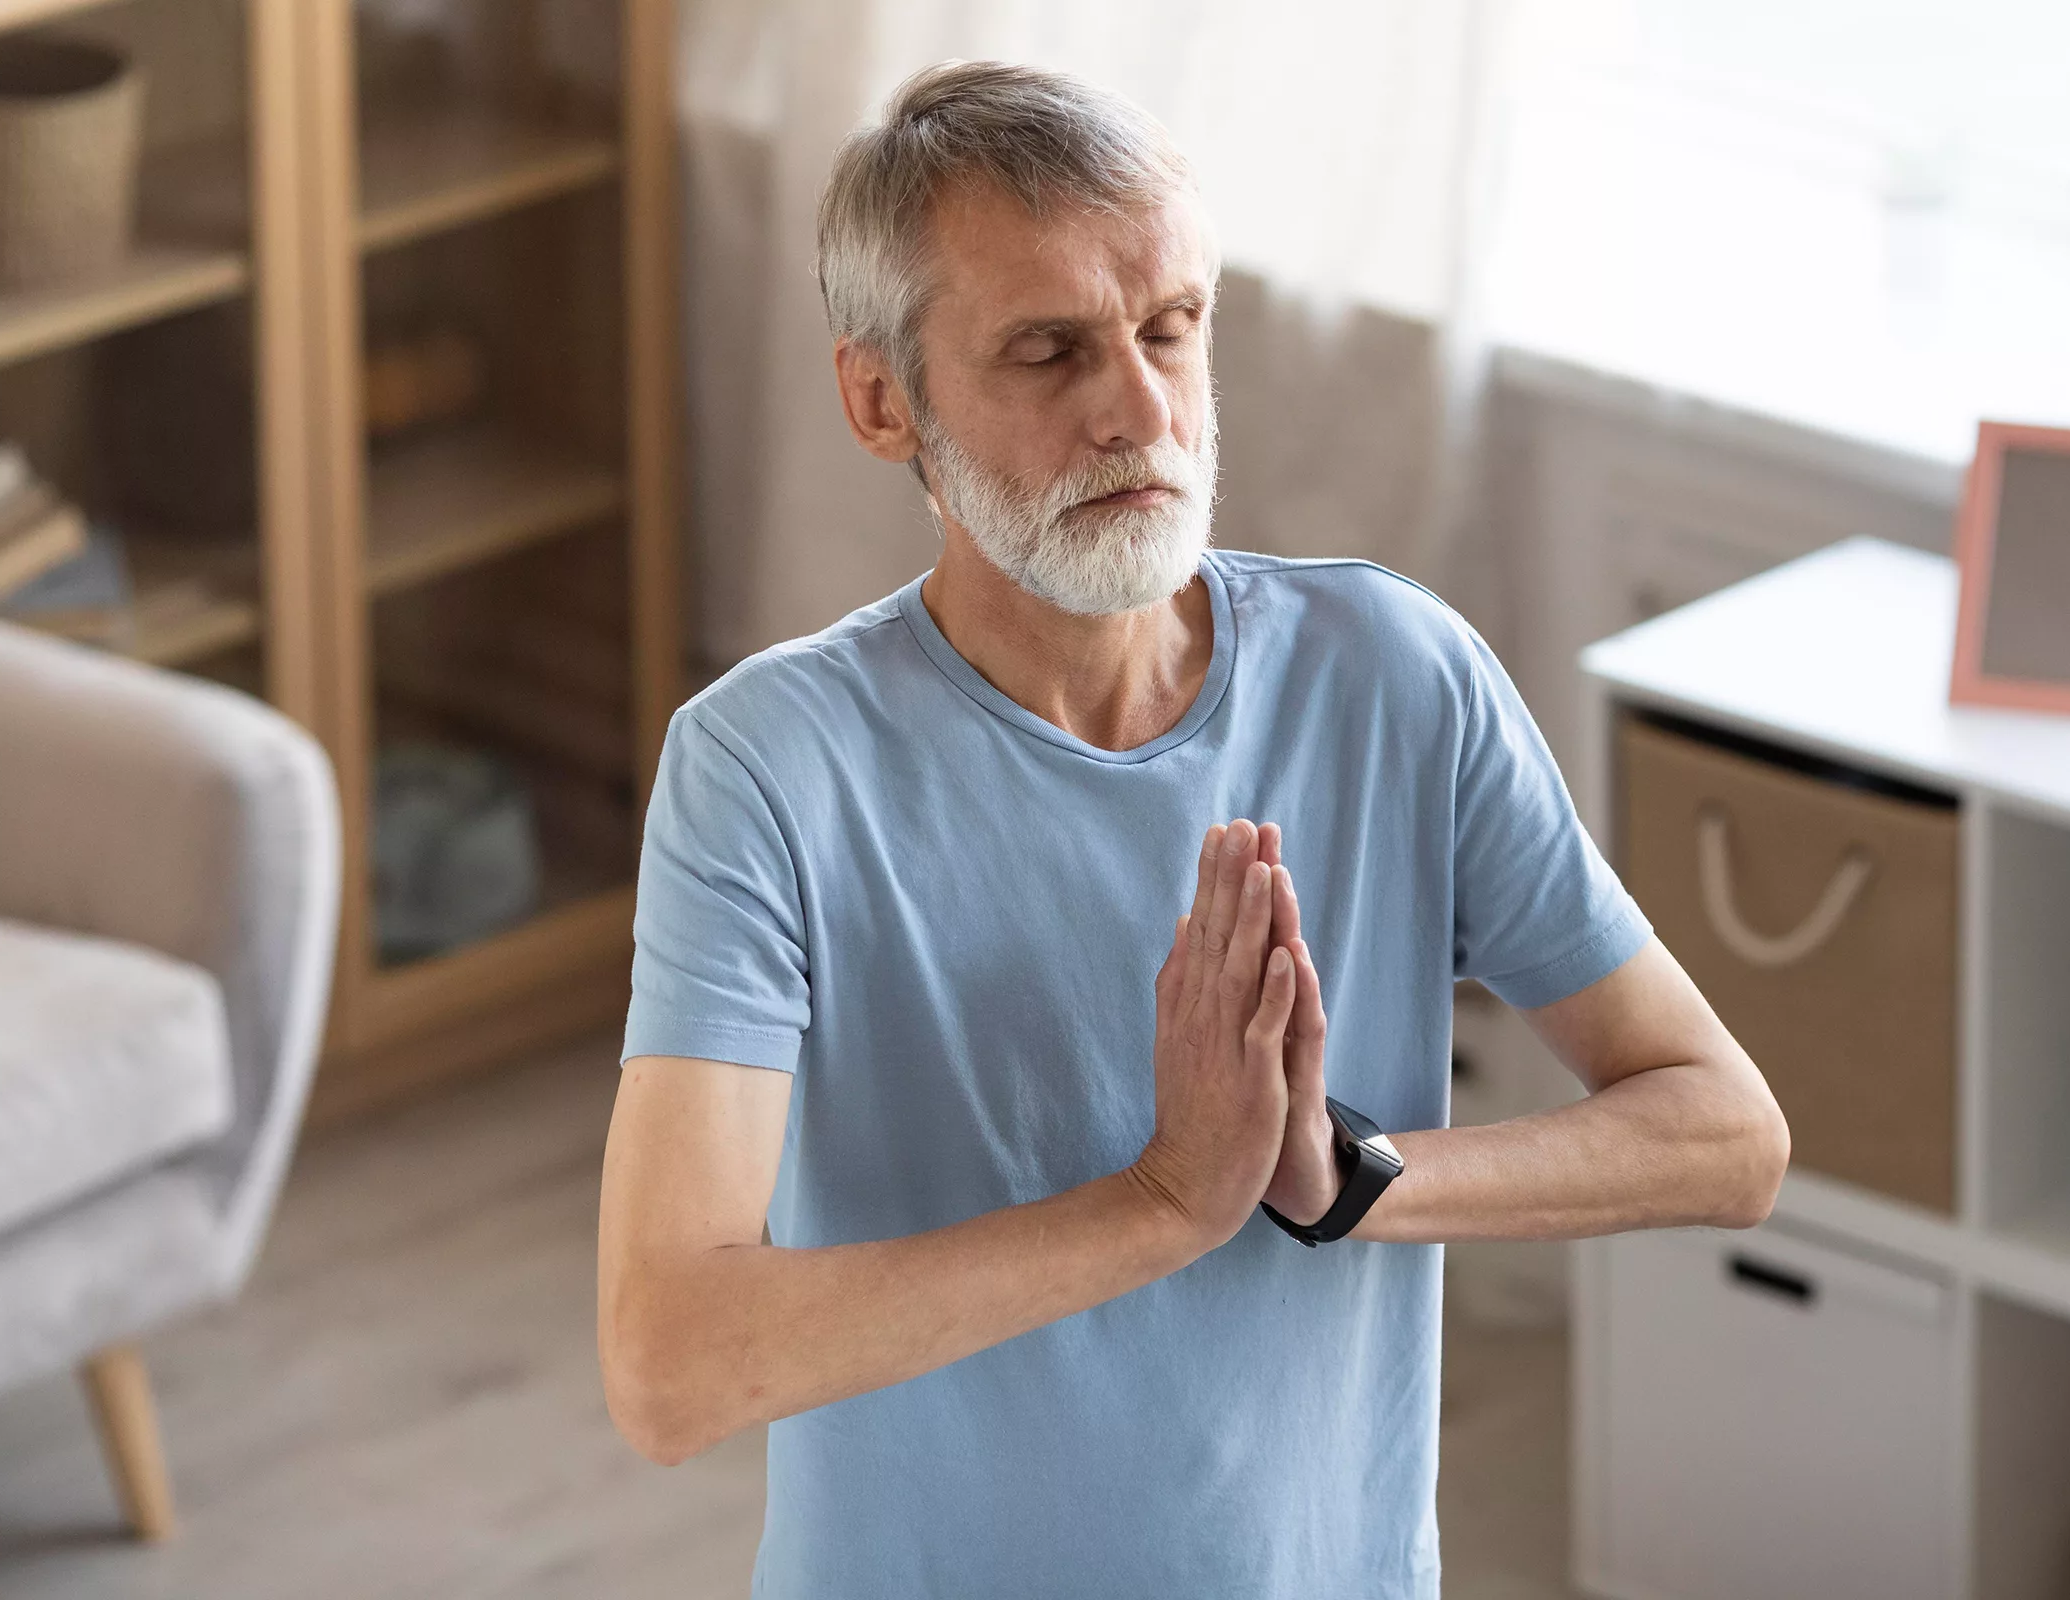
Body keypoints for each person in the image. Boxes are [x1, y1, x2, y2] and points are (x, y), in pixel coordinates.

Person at [596, 59, 1788, 1599]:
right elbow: (670, 1364)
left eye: (1170, 329)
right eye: (1047, 351)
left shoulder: (1397, 676)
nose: (1139, 409)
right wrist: (1163, 1204)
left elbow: (1724, 1132)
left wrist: (1347, 1179)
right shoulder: (765, 768)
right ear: (883, 399)